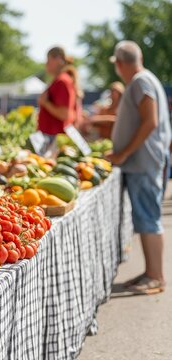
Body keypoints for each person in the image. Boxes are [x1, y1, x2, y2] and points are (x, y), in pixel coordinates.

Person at [107, 40, 171, 294]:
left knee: (149, 218)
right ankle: (151, 272)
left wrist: (123, 153)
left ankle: (156, 276)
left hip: (144, 162)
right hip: (145, 162)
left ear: (120, 64)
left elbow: (150, 121)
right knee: (147, 217)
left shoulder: (141, 82)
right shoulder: (145, 80)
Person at [37, 47, 77, 139]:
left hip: (54, 136)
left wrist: (45, 103)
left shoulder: (62, 81)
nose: (46, 64)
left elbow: (64, 114)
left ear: (58, 59)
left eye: (48, 60)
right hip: (53, 135)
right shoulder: (59, 80)